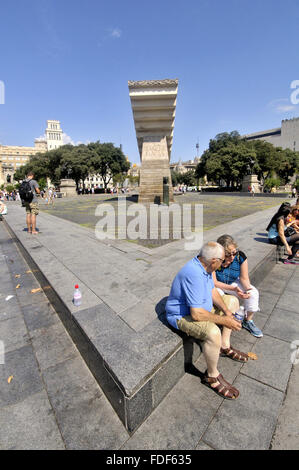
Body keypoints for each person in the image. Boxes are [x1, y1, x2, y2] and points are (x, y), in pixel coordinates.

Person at [166, 241, 248, 400]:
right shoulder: (194, 273)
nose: (224, 263)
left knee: (232, 303)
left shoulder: (207, 267)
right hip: (182, 315)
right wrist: (224, 321)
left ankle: (224, 346)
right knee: (212, 331)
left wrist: (226, 312)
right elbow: (196, 314)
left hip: (200, 308)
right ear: (214, 261)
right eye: (223, 260)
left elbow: (212, 291)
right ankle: (211, 375)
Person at [213, 235, 262, 338]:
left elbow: (244, 278)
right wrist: (234, 289)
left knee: (253, 293)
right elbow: (215, 282)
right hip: (218, 285)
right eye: (228, 255)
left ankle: (248, 321)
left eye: (234, 253)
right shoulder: (214, 259)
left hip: (232, 282)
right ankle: (222, 320)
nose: (232, 257)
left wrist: (247, 290)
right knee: (219, 297)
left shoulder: (240, 257)